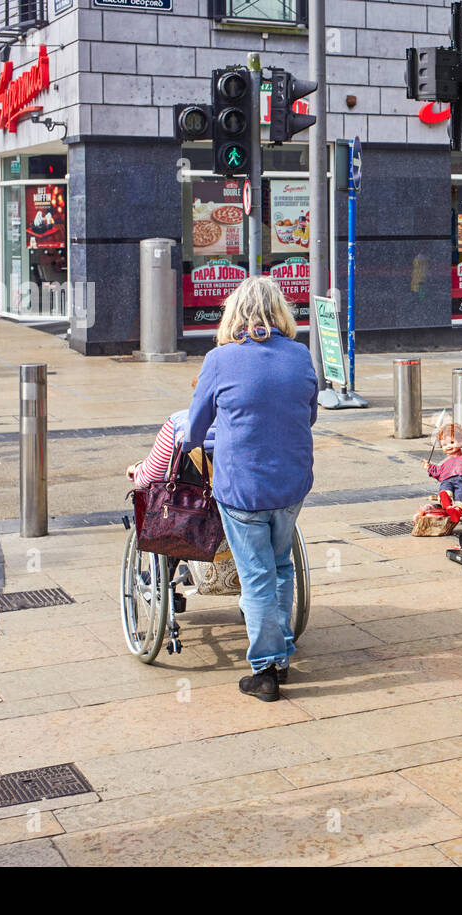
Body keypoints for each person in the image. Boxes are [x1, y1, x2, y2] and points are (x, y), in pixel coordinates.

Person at [185, 276, 317, 704]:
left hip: (242, 488)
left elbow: (194, 430)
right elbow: (309, 414)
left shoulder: (219, 360)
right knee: (280, 567)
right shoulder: (300, 355)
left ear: (232, 315)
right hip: (291, 484)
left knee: (256, 577)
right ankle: (281, 654)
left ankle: (265, 671)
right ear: (281, 312)